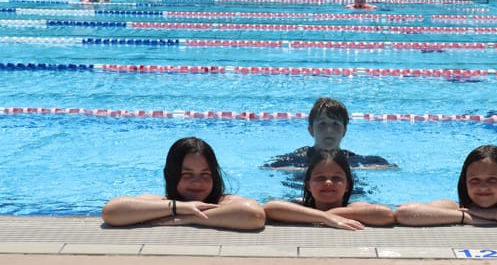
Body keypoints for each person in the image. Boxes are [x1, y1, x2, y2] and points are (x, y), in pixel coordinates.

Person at [102, 137, 265, 230]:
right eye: (187, 174)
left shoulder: (223, 202)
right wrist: (179, 207)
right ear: (171, 175)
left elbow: (254, 215)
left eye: (205, 174)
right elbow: (111, 212)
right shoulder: (162, 202)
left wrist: (189, 218)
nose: (197, 182)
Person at [395, 145, 497, 231]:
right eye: (475, 180)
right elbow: (404, 213)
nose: (483, 187)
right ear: (465, 183)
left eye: (492, 180)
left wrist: (492, 214)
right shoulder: (455, 207)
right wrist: (465, 217)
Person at [264, 150, 395, 230]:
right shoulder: (301, 204)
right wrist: (325, 217)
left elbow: (386, 214)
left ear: (347, 186)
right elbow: (270, 208)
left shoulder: (353, 207)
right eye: (320, 178)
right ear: (308, 185)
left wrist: (331, 214)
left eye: (336, 178)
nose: (328, 183)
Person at [262, 97, 396, 170]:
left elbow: (391, 168)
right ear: (310, 130)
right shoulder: (292, 160)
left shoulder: (355, 160)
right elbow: (265, 169)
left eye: (335, 124)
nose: (329, 130)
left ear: (344, 131)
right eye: (322, 124)